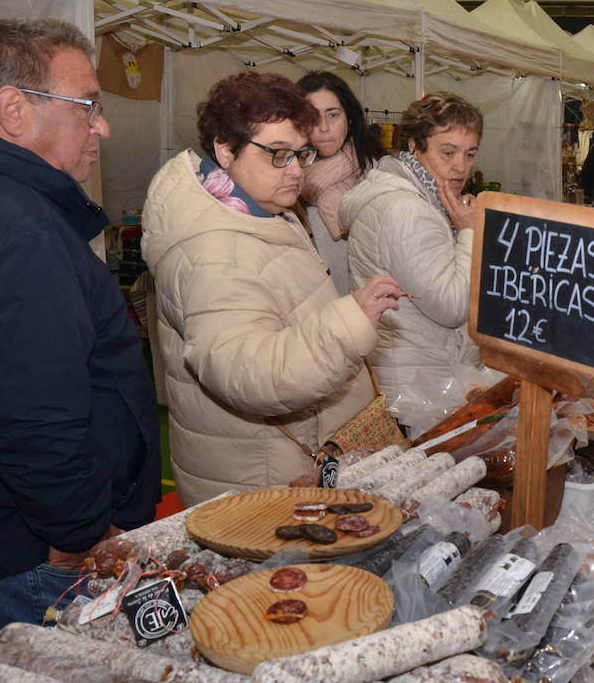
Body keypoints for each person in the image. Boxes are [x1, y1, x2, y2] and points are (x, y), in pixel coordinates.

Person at [0, 19, 160, 644]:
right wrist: (81, 531)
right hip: (14, 559)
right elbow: (30, 417)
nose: (102, 126)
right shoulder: (11, 224)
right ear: (12, 110)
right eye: (88, 104)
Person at [144, 72, 405, 505]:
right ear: (225, 150)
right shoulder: (215, 250)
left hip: (280, 468)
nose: (296, 171)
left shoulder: (255, 208)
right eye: (278, 155)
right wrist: (349, 323)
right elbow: (249, 372)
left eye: (301, 154)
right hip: (262, 487)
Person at [341, 93, 488, 401]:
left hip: (416, 376)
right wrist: (470, 232)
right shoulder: (408, 209)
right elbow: (450, 306)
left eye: (470, 154)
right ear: (413, 145)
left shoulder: (421, 196)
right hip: (421, 389)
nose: (461, 167)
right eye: (448, 152)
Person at [296, 72, 387, 295]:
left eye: (333, 115)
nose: (324, 127)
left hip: (376, 304)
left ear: (350, 118)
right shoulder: (288, 176)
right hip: (317, 308)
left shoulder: (379, 173)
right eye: (312, 117)